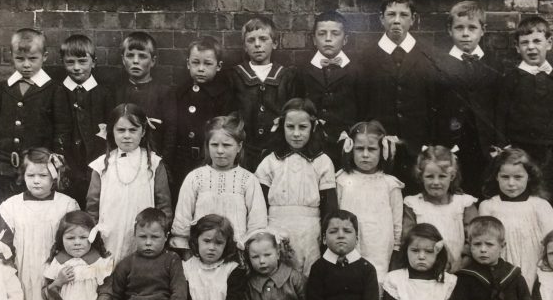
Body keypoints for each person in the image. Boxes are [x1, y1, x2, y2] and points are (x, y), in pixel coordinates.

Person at [363, 0, 440, 192]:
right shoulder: (366, 57)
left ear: (413, 19)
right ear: (381, 18)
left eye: (403, 15)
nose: (397, 20)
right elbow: (362, 105)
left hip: (418, 150)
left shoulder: (427, 56)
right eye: (391, 14)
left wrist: (428, 145)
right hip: (381, 150)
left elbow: (435, 105)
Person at [495, 16, 553, 210]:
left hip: (551, 154)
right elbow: (499, 118)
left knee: (548, 200)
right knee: (520, 197)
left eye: (537, 41)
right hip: (519, 152)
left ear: (548, 43)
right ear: (517, 47)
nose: (531, 47)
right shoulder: (511, 79)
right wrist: (506, 150)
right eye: (525, 43)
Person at [255, 98, 337, 275]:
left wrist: (325, 237)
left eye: (303, 127)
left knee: (309, 274)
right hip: (275, 226)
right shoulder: (270, 161)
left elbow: (329, 206)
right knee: (278, 273)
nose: (296, 134)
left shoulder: (322, 162)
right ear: (282, 126)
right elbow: (259, 203)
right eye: (290, 127)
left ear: (313, 127)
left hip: (310, 230)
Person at [85, 103, 172, 263]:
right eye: (121, 130)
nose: (127, 135)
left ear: (143, 131)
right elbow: (92, 206)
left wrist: (157, 235)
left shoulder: (153, 163)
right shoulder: (101, 165)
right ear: (112, 131)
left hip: (144, 236)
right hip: (109, 233)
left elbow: (164, 205)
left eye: (133, 130)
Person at [171, 113, 267, 255]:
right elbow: (182, 222)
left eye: (227, 145)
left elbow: (257, 225)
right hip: (200, 255)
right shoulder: (195, 178)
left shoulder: (248, 180)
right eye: (214, 145)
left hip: (236, 257)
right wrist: (187, 255)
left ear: (239, 146)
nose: (220, 151)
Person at [0, 147, 79, 300]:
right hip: (24, 268)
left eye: (43, 175)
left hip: (55, 269)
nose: (36, 180)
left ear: (53, 177)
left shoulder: (66, 204)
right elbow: (4, 246)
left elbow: (74, 241)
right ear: (23, 176)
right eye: (30, 175)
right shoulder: (12, 206)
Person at [435, 1, 501, 196]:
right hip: (454, 144)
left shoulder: (494, 64)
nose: (465, 34)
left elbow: (500, 105)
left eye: (472, 28)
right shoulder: (439, 64)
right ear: (449, 30)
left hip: (485, 146)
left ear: (483, 30)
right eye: (459, 28)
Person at [0, 27, 69, 190]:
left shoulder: (54, 90)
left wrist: (57, 156)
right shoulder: (4, 88)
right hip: (5, 167)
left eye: (33, 58)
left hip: (38, 169)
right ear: (11, 56)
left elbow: (62, 127)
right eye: (20, 59)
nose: (26, 65)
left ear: (44, 57)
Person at [335, 120, 404, 288]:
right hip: (350, 245)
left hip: (379, 247)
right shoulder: (343, 180)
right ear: (350, 148)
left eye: (372, 149)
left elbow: (397, 222)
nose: (365, 155)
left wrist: (395, 249)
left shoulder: (390, 184)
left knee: (376, 286)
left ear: (383, 150)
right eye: (360, 149)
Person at [478, 147, 553, 288]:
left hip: (533, 263)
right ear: (496, 176)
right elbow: (484, 241)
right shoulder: (488, 206)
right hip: (501, 265)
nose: (511, 183)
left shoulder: (539, 205)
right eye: (505, 177)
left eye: (518, 177)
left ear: (529, 176)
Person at [229, 16, 301, 172]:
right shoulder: (235, 75)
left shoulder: (286, 76)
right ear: (244, 46)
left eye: (263, 39)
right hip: (244, 152)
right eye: (251, 40)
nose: (257, 45)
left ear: (274, 43)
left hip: (277, 150)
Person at [299, 11, 366, 167]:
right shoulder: (303, 71)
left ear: (345, 40)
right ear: (314, 40)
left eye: (335, 34)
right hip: (312, 143)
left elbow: (362, 110)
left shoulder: (356, 71)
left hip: (345, 144)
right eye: (322, 34)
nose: (328, 39)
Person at [54, 34, 113, 208]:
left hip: (96, 160)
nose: (77, 68)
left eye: (82, 61)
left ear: (93, 62)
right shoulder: (58, 92)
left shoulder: (104, 93)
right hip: (67, 162)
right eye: (70, 62)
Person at [174, 37, 234, 202]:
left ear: (218, 66)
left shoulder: (223, 96)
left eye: (207, 64)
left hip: (208, 160)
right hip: (182, 161)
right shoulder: (180, 93)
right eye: (195, 63)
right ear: (188, 64)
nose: (200, 69)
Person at [402, 145, 478, 272]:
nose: (436, 182)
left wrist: (461, 263)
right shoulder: (414, 205)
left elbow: (475, 237)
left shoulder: (464, 204)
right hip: (425, 269)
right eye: (430, 176)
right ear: (421, 177)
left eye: (442, 176)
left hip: (459, 268)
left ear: (452, 176)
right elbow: (408, 238)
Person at [112, 31, 177, 168]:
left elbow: (171, 132)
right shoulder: (116, 92)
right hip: (121, 161)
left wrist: (163, 163)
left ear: (152, 61)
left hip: (153, 159)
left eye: (142, 56)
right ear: (123, 59)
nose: (135, 61)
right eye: (130, 56)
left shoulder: (164, 93)